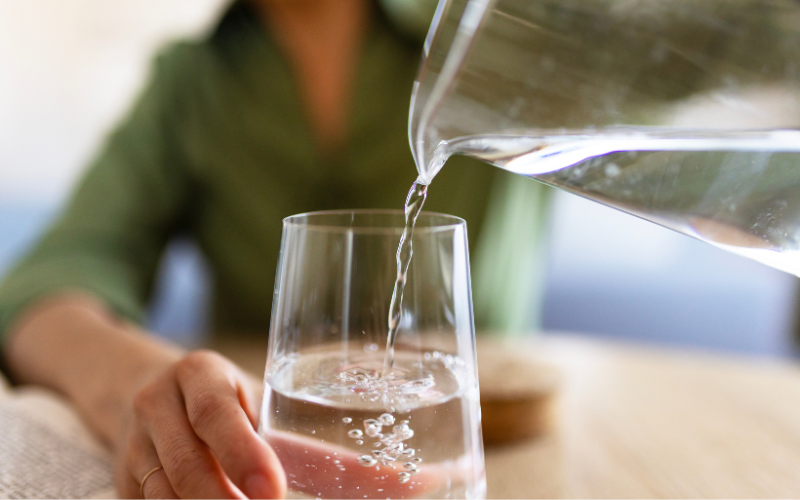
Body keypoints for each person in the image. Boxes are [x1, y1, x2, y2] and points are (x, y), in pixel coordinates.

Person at [0, 0, 550, 498]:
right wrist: (139, 384)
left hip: (513, 453)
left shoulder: (501, 32)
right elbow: (47, 281)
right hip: (260, 472)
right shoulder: (194, 81)